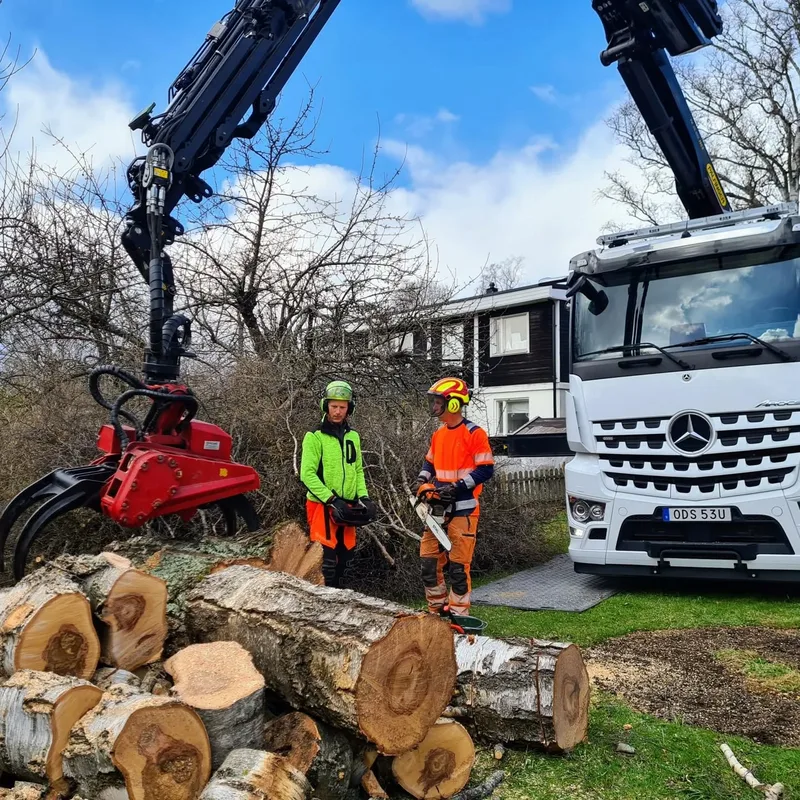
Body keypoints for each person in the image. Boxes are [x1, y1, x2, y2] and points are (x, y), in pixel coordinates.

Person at [414, 377, 494, 617]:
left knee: (458, 567)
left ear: (453, 404)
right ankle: (436, 612)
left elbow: (485, 469)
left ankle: (459, 615)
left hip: (463, 509)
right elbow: (429, 463)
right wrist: (421, 481)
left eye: (438, 402)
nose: (434, 406)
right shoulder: (439, 435)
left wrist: (457, 487)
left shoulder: (474, 434)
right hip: (437, 508)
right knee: (428, 564)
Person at [300, 380, 377, 587]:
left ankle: (340, 605)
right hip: (321, 506)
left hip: (348, 506)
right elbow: (307, 474)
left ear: (349, 409)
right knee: (326, 563)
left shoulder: (353, 437)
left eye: (342, 407)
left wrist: (364, 498)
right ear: (326, 406)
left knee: (345, 559)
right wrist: (331, 499)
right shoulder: (315, 436)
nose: (338, 411)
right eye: (334, 406)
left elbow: (357, 470)